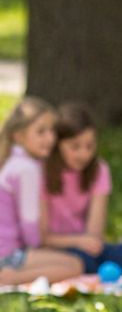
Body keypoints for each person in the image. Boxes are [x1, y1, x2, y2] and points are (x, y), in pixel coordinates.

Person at [40, 102, 122, 274]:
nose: (84, 154)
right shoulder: (42, 172)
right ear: (57, 145)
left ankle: (94, 268)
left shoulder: (99, 170)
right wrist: (78, 242)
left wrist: (89, 242)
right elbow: (42, 238)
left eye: (90, 146)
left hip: (86, 245)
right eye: (75, 146)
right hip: (55, 248)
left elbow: (94, 232)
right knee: (83, 260)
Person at [0, 98, 83, 288]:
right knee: (75, 264)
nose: (50, 138)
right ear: (19, 136)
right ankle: (9, 279)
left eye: (51, 130)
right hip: (7, 254)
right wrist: (40, 246)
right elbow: (29, 221)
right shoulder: (27, 169)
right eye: (41, 131)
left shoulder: (12, 162)